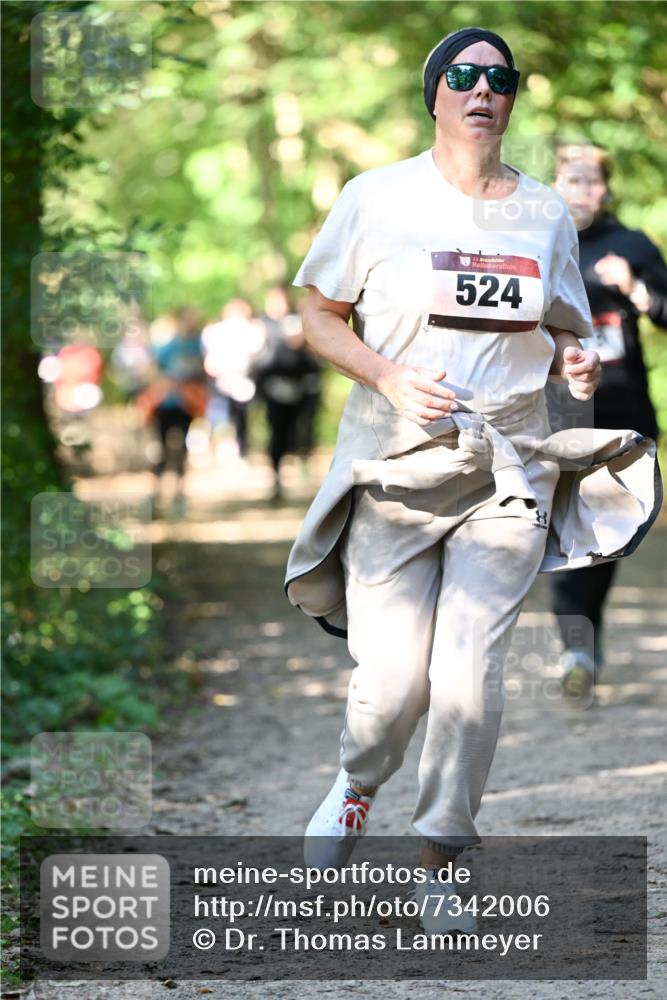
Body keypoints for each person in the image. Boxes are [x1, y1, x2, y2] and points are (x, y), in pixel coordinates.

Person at [284, 27, 660, 936]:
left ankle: (440, 858)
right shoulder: (376, 199)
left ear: (512, 97)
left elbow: (569, 326)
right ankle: (357, 779)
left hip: (509, 466)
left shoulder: (541, 215)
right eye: (462, 75)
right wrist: (383, 373)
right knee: (389, 687)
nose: (481, 89)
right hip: (398, 465)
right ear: (436, 94)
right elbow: (314, 313)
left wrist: (573, 363)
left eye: (498, 77)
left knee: (467, 673)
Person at [548, 143, 667, 701]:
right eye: (572, 180)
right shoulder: (541, 243)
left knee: (608, 533)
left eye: (592, 180)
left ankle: (584, 635)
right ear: (555, 184)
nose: (583, 190)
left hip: (623, 413)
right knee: (565, 524)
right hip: (559, 411)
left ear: (606, 187)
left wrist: (635, 288)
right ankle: (577, 644)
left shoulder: (632, 245)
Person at [253, 286, 323, 500]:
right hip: (274, 389)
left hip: (300, 388)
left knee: (301, 430)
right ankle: (275, 477)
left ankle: (302, 466)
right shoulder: (262, 325)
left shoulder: (299, 322)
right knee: (277, 433)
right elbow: (259, 359)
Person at [138, 307, 207, 515]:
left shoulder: (197, 346)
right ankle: (155, 493)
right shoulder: (168, 347)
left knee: (182, 448)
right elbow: (152, 370)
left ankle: (179, 494)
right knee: (162, 448)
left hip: (186, 405)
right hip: (165, 404)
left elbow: (202, 373)